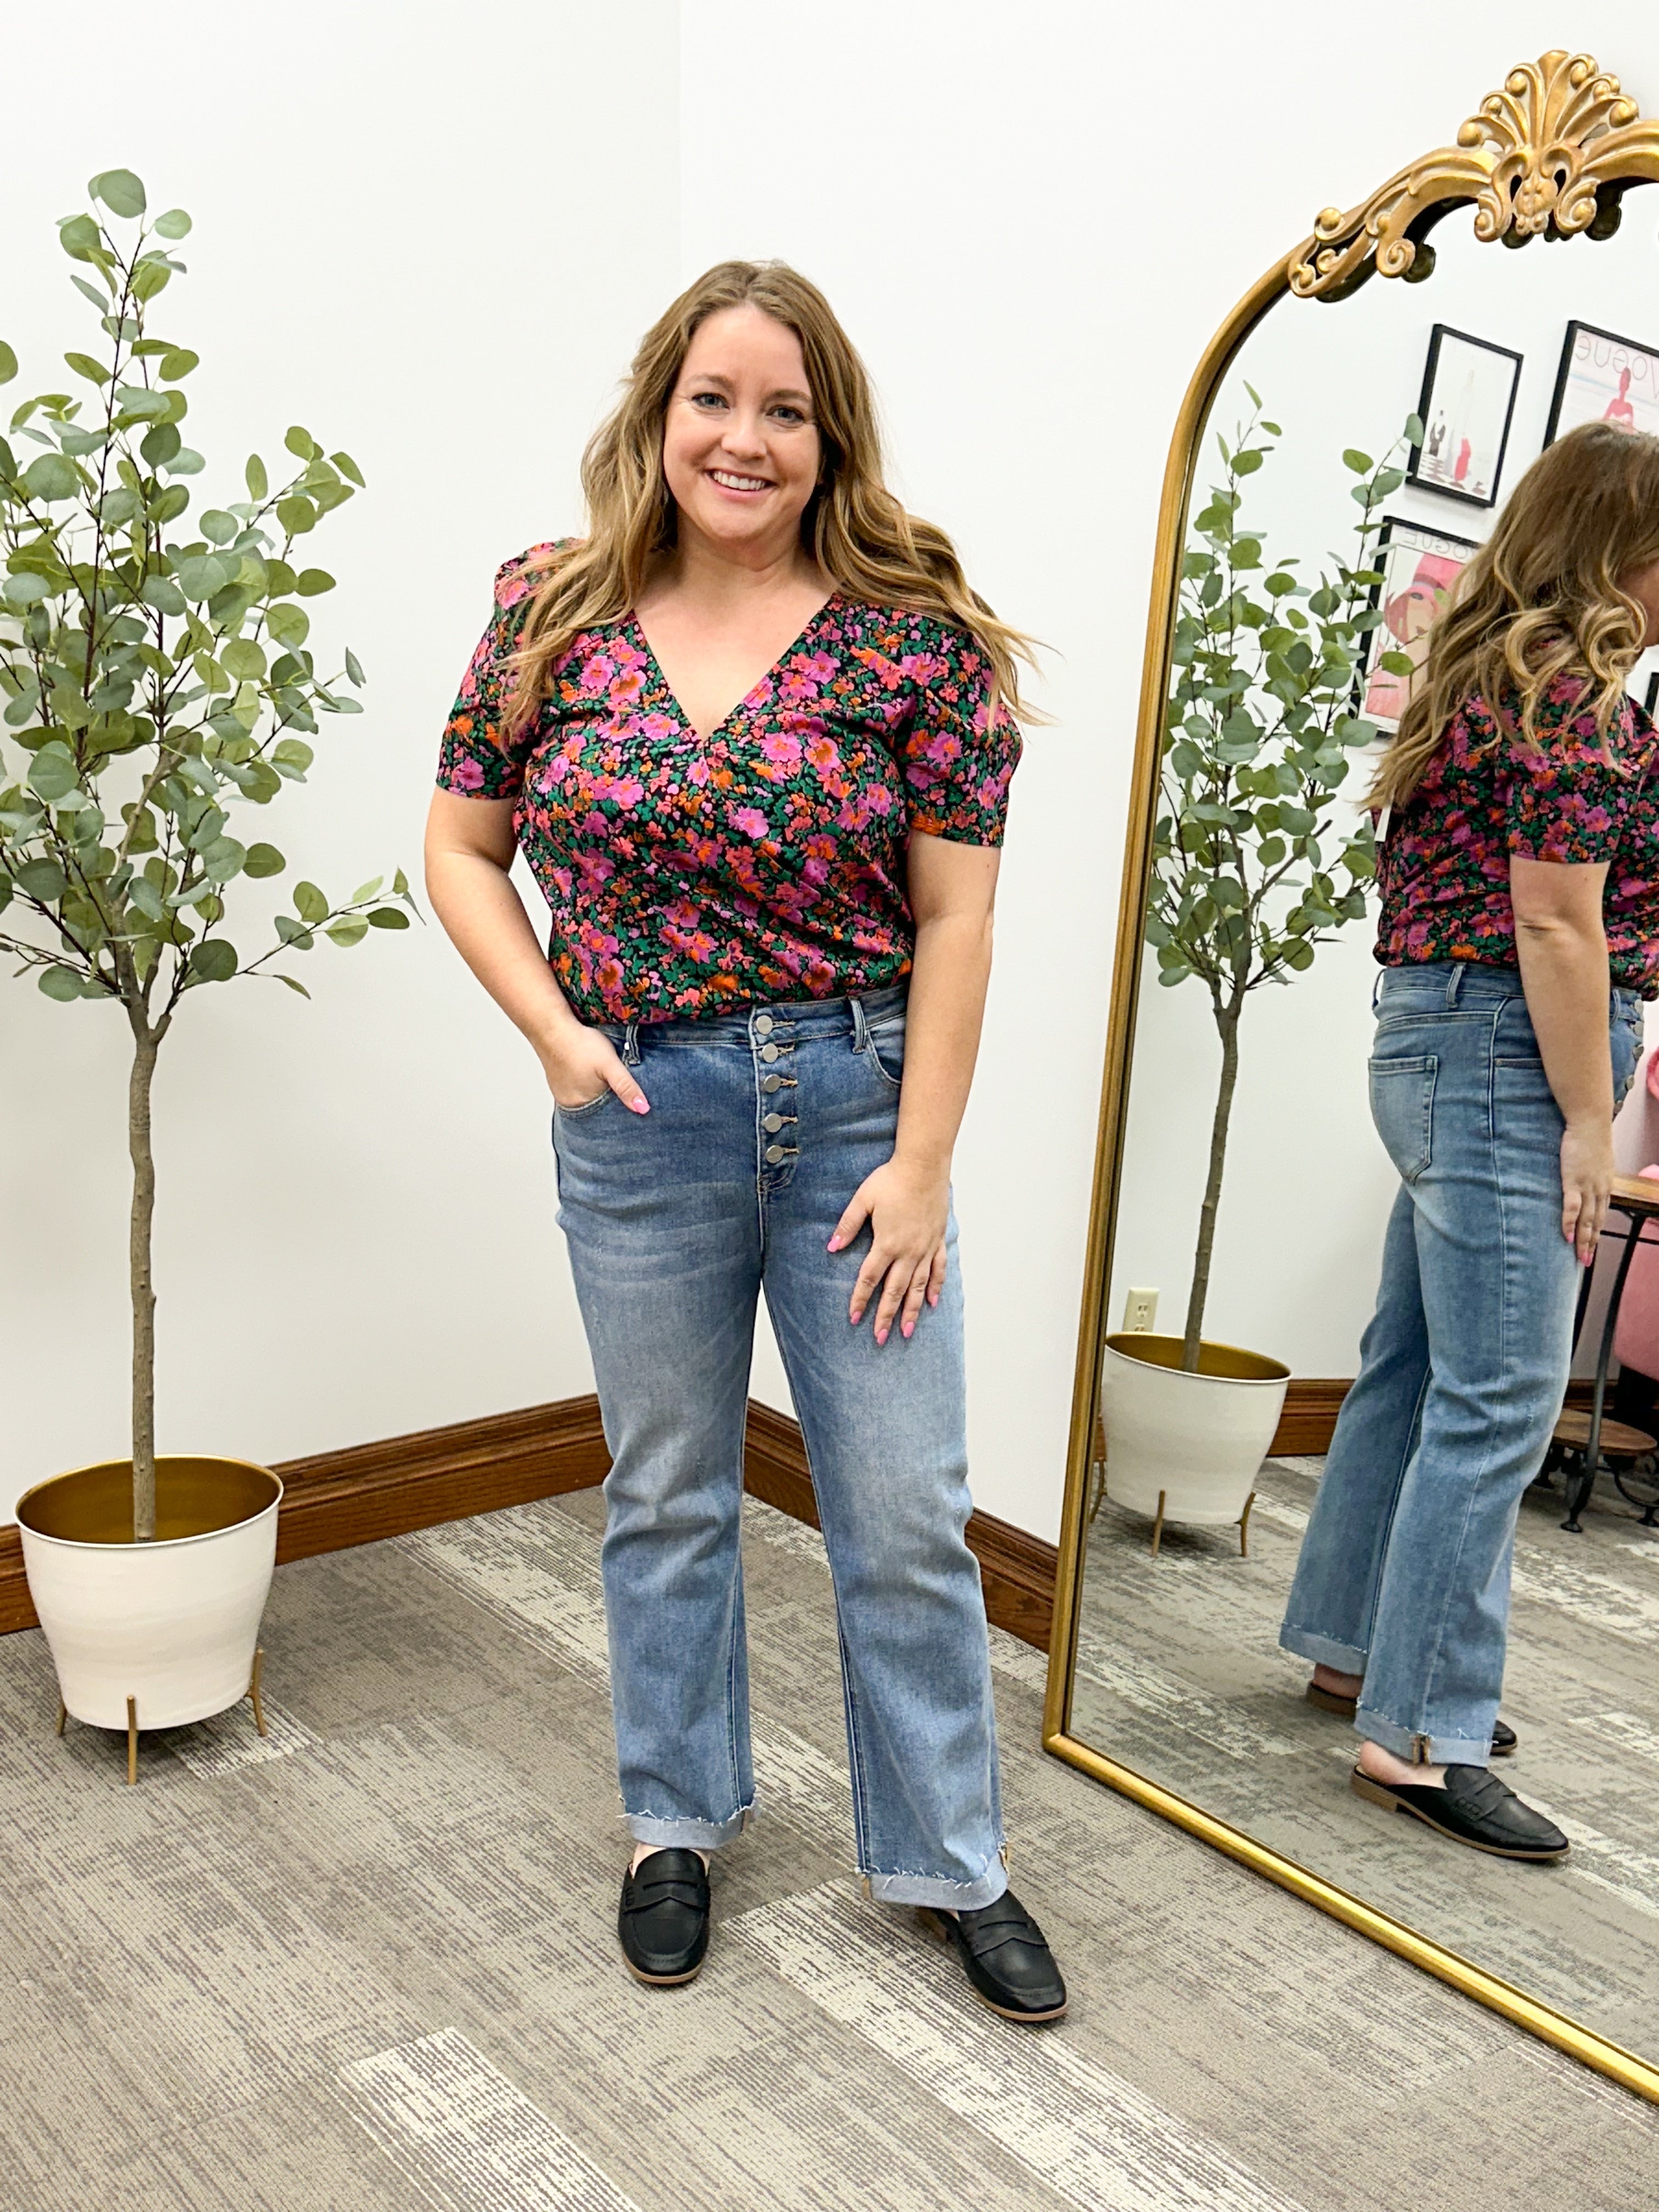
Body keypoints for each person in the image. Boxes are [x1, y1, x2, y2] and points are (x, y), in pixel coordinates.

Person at [424, 260, 1068, 2019]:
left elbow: (957, 921)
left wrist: (924, 1162)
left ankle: (950, 1858)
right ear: (660, 408)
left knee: (907, 1507)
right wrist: (556, 1034)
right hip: (641, 1111)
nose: (747, 436)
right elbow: (462, 847)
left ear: (829, 436)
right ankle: (674, 1822)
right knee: (667, 1487)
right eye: (717, 397)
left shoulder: (916, 634)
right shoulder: (551, 606)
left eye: (788, 408)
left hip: (858, 1108)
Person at [1279, 420, 1659, 1861]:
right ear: (1623, 554)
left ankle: (1350, 1647)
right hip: (1513, 1047)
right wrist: (1586, 1120)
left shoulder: (1492, 681)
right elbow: (1559, 921)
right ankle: (1423, 1730)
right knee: (1501, 1396)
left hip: (1440, 1037)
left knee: (1419, 1366)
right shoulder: (1574, 701)